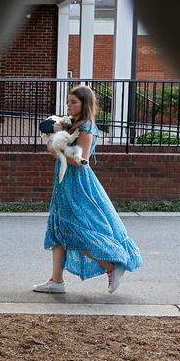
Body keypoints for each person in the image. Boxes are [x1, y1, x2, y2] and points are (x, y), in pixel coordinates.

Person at [33, 85, 141, 294]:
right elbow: (56, 150)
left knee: (75, 231)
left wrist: (58, 148)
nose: (69, 105)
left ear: (85, 104)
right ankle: (56, 281)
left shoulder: (87, 127)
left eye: (74, 102)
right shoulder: (70, 124)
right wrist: (55, 141)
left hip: (78, 182)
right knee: (58, 229)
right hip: (63, 182)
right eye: (69, 102)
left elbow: (78, 159)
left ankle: (112, 267)